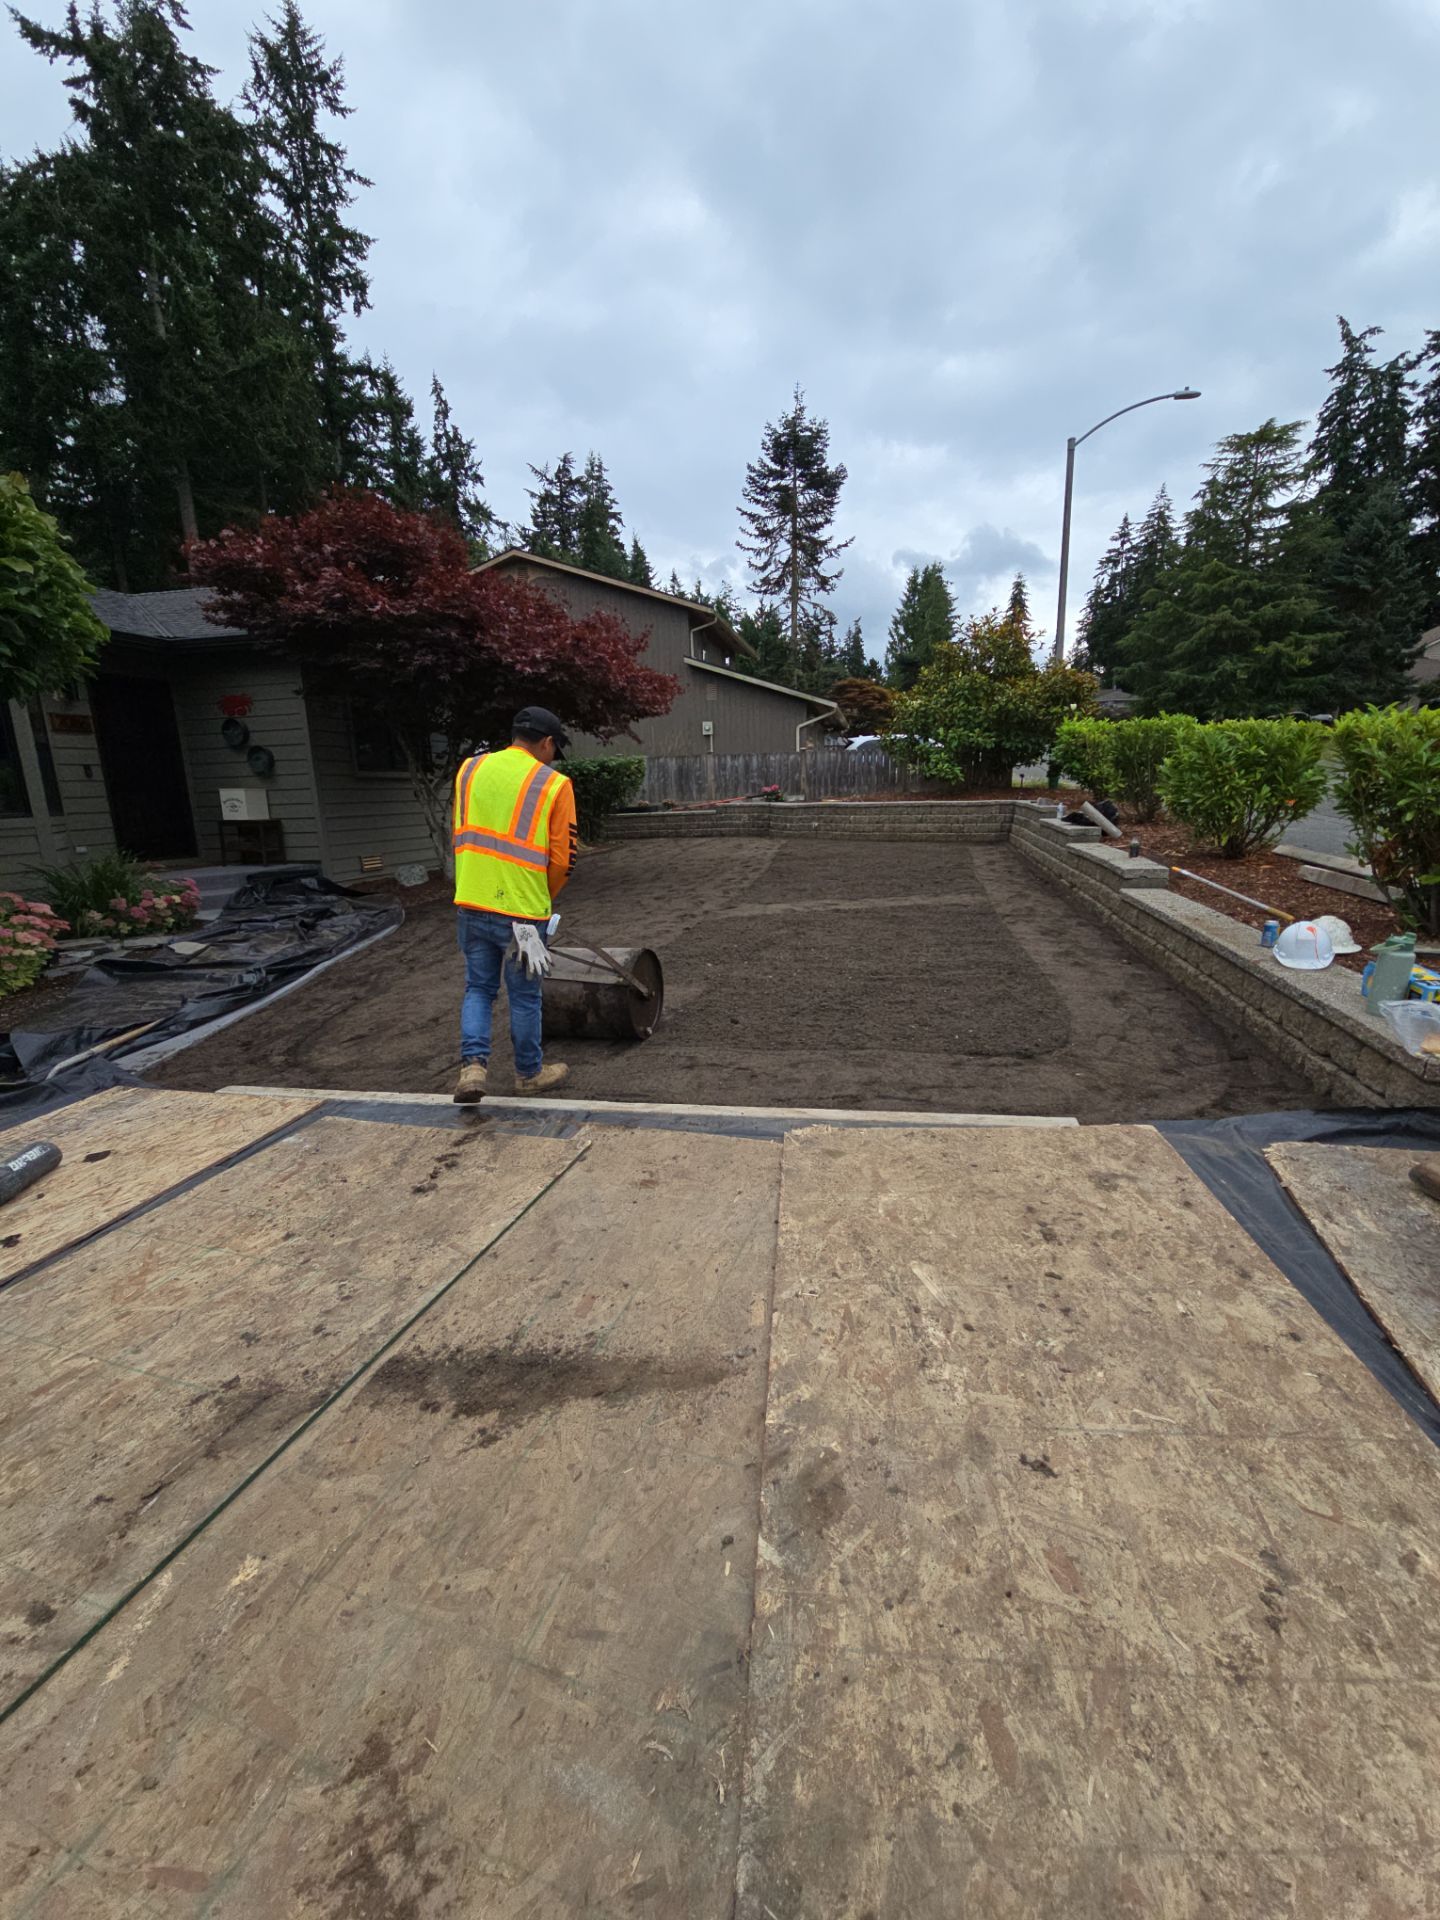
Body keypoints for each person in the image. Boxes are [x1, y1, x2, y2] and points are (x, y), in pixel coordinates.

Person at [452, 707, 578, 1103]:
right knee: (524, 996)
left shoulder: (469, 770)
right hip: (523, 914)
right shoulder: (554, 784)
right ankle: (528, 1073)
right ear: (546, 742)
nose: (552, 758)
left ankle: (473, 1067)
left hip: (472, 900)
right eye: (554, 750)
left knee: (478, 989)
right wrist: (544, 896)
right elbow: (563, 859)